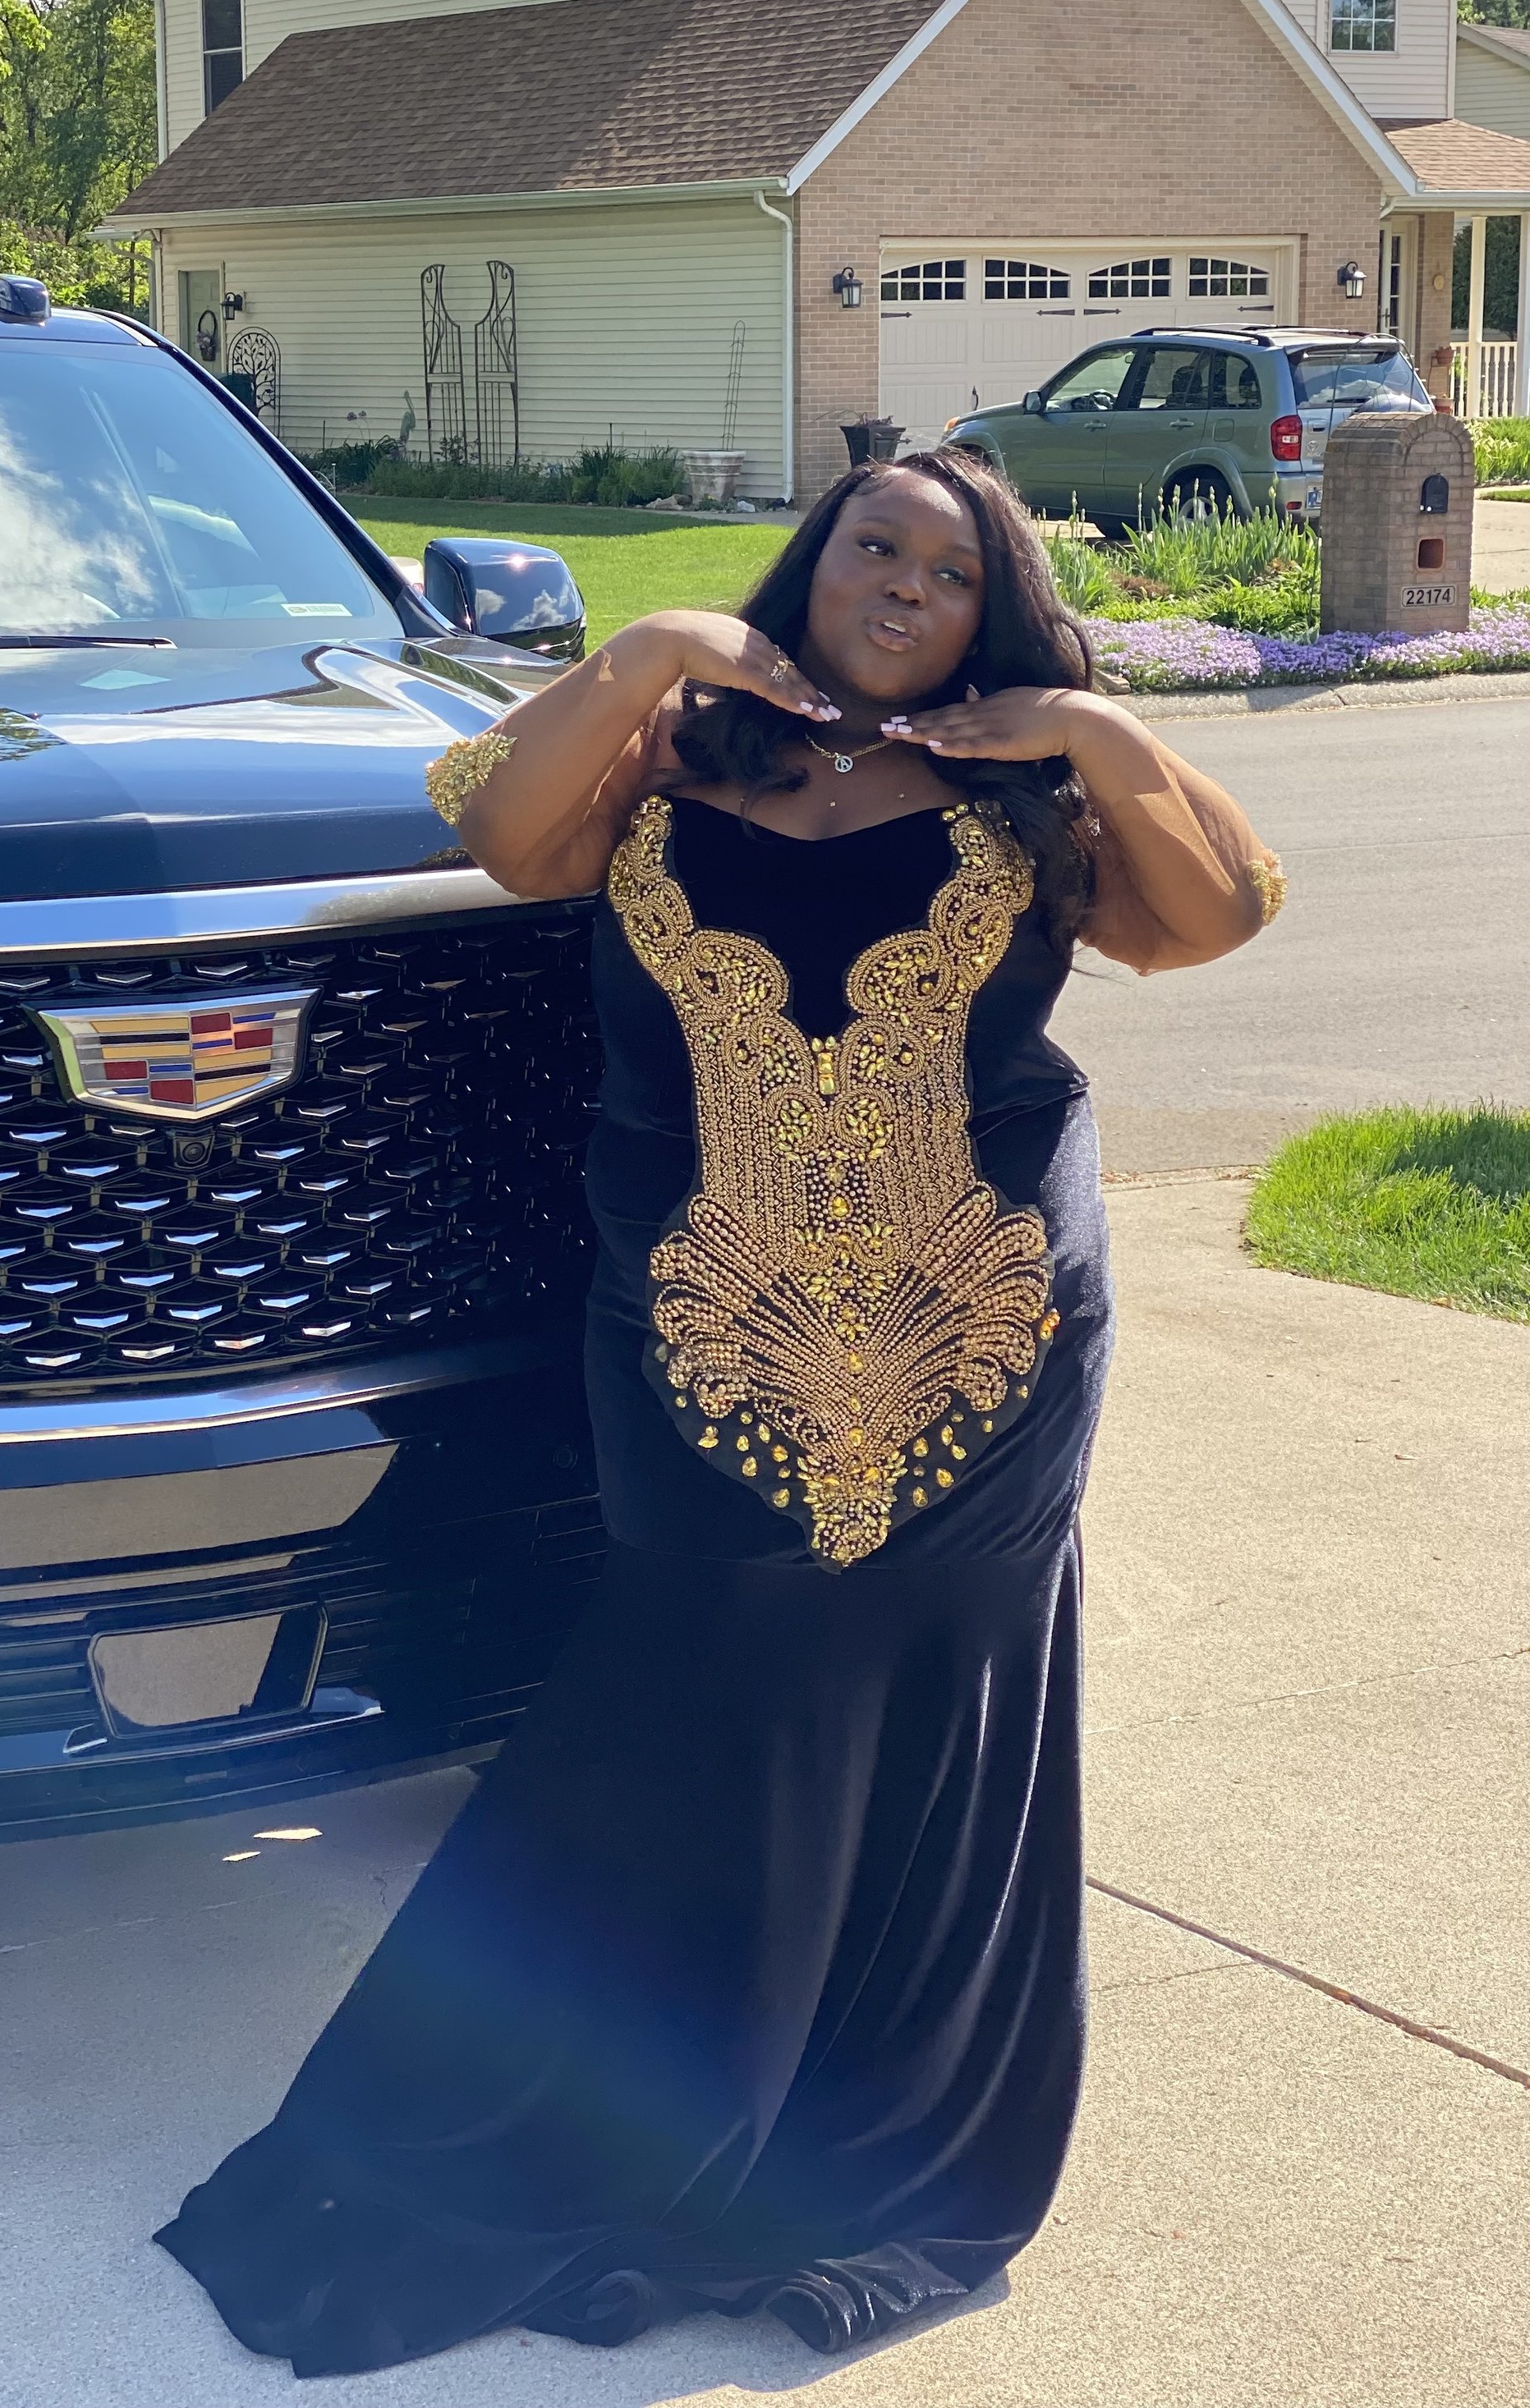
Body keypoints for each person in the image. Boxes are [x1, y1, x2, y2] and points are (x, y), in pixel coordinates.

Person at [156, 450, 1284, 2376]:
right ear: (817, 557)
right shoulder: (674, 751)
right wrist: (653, 650)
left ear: (987, 605)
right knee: (679, 1705)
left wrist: (1090, 724)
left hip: (975, 1323)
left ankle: (860, 2138)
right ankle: (604, 2114)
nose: (906, 586)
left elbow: (1209, 918)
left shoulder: (1018, 786)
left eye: (950, 569)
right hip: (695, 1315)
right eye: (876, 545)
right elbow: (509, 837)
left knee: (929, 1717)